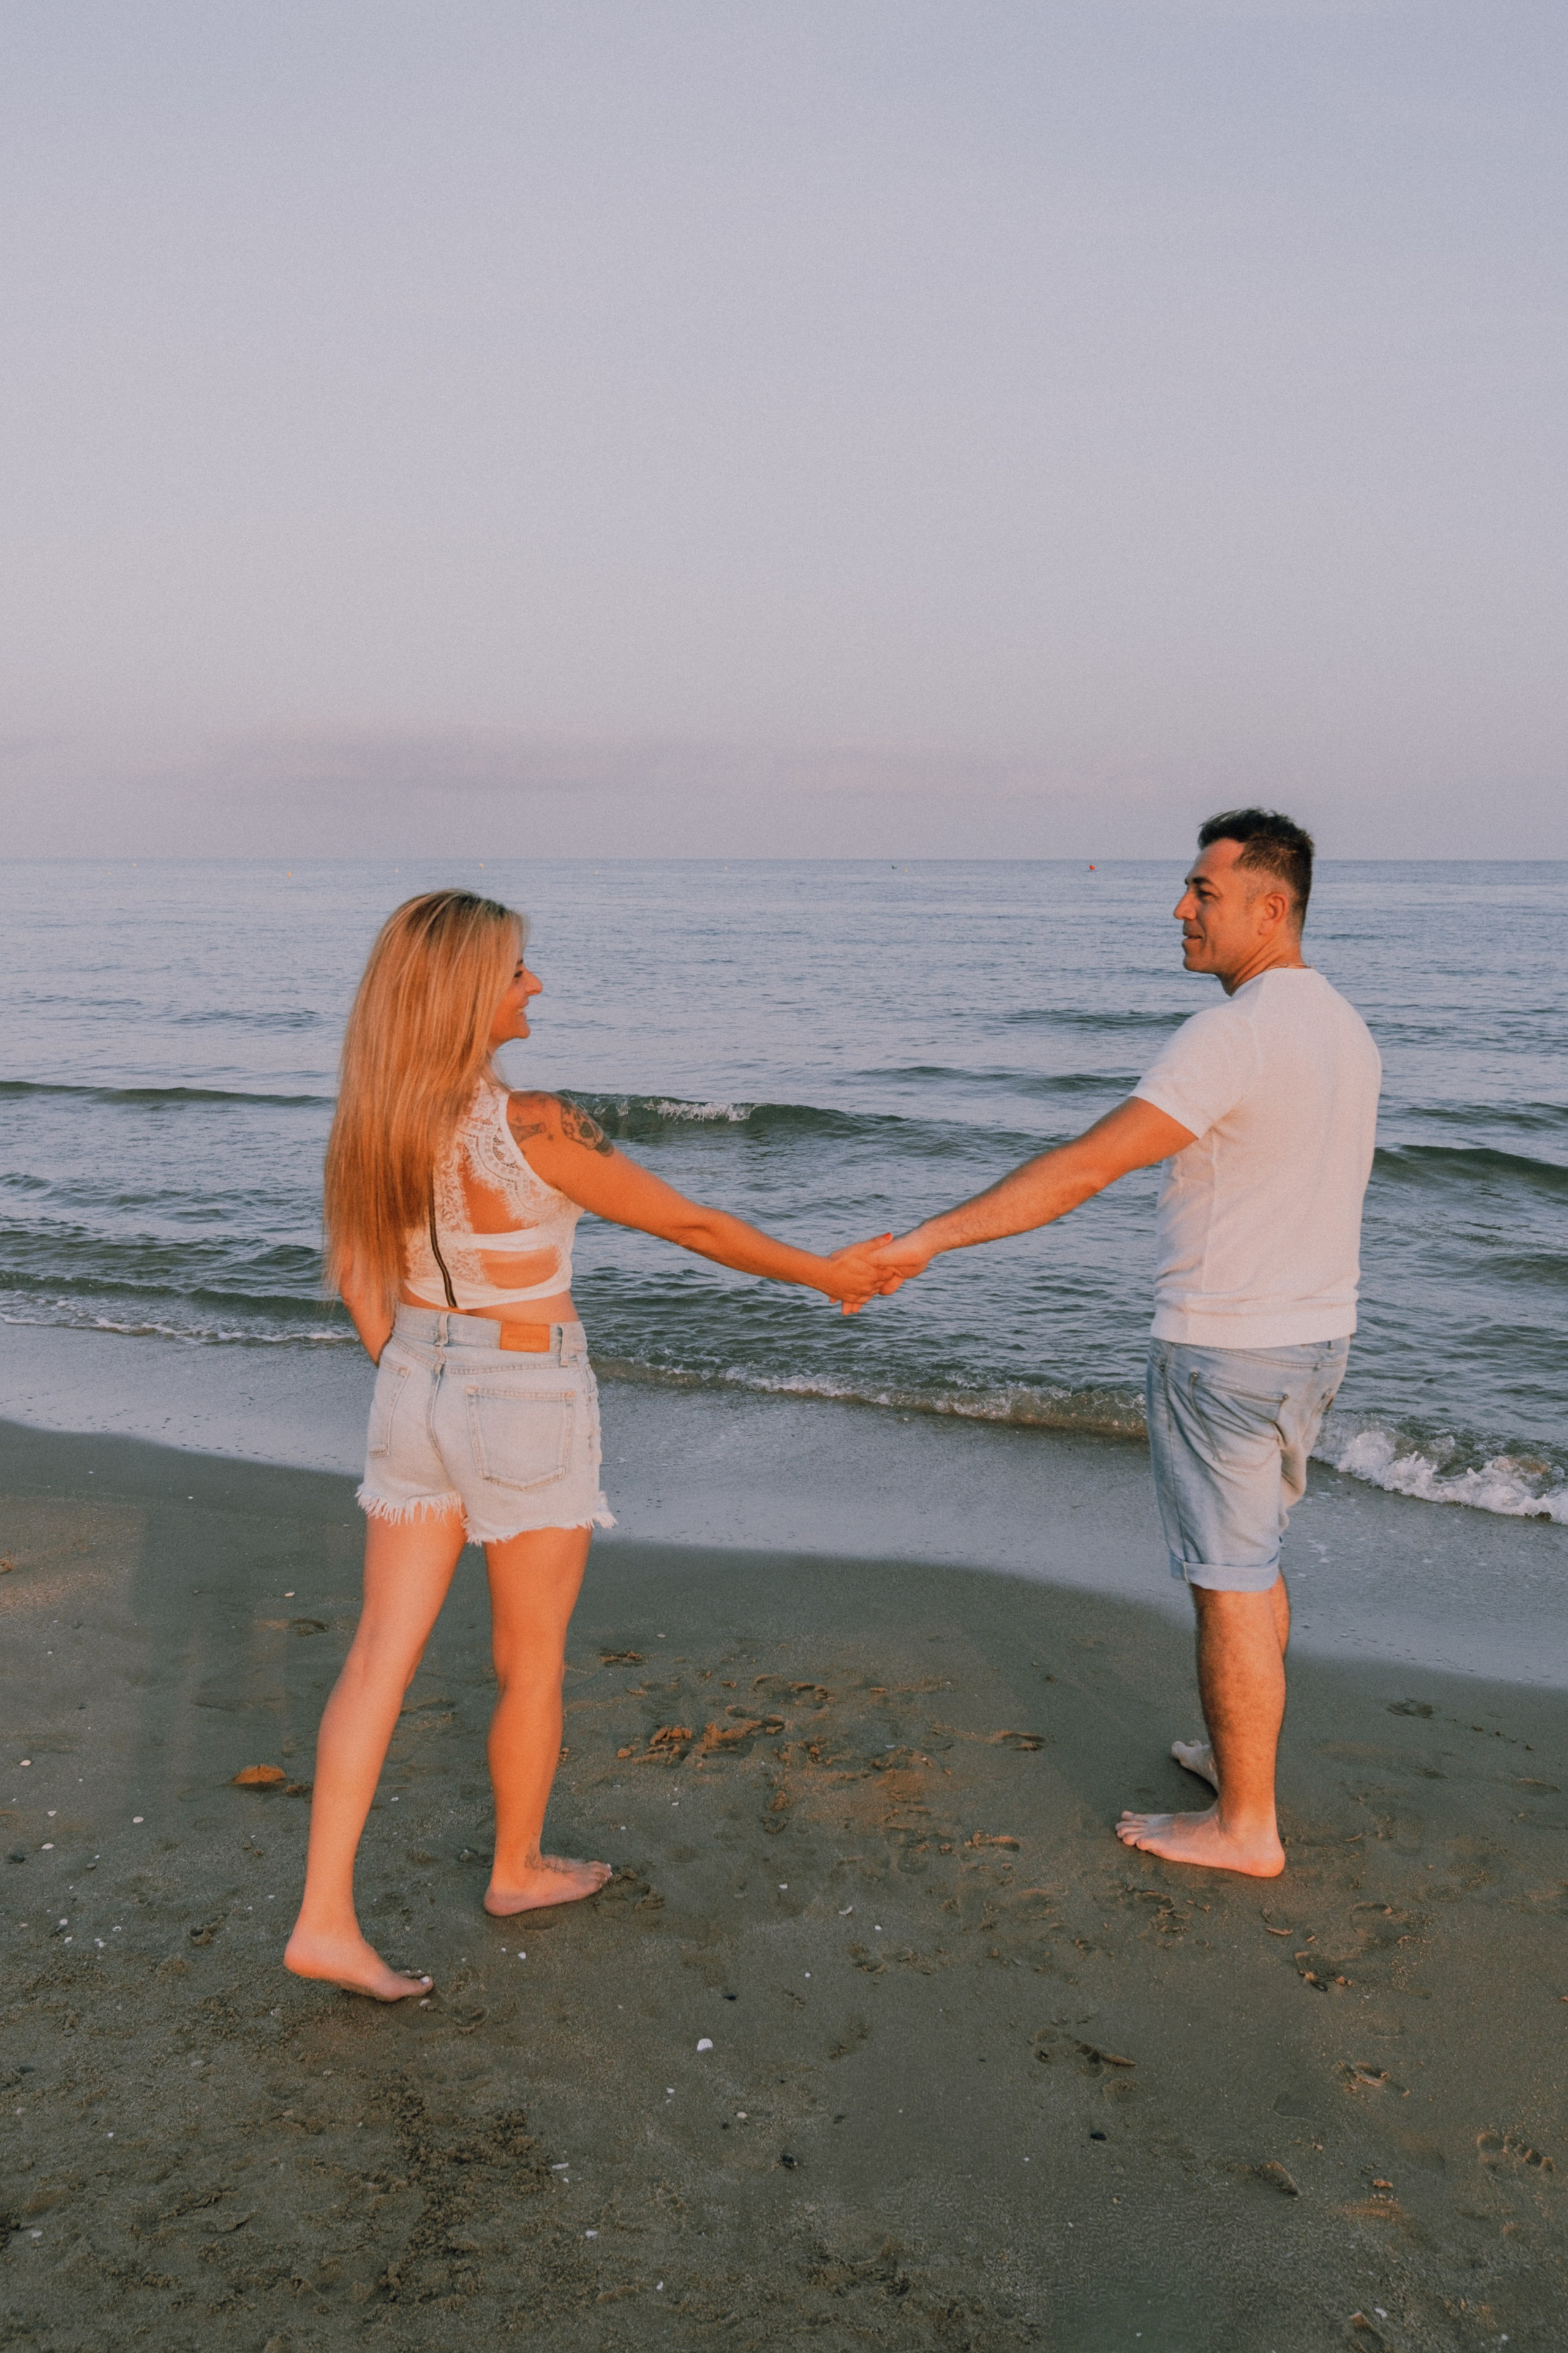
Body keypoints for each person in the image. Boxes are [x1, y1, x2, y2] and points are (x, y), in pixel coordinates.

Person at [285, 888, 899, 2000]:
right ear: (472, 989)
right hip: (522, 1391)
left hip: (411, 1384)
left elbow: (358, 1277)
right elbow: (692, 1225)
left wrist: (414, 1367)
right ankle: (515, 1869)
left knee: (378, 1658)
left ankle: (325, 1915)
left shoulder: (374, 1116)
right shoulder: (534, 1126)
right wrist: (829, 1273)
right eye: (518, 969)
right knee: (530, 1658)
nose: (535, 985)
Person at [870, 812, 1380, 1878]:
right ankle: (1233, 1761)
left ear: (1269, 906)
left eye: (1203, 891)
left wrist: (928, 1239)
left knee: (1229, 1580)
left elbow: (1083, 1168)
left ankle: (1247, 1824)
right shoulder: (1343, 1025)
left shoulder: (1231, 1033)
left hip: (1228, 1351)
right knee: (1256, 1561)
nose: (1181, 910)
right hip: (1313, 1341)